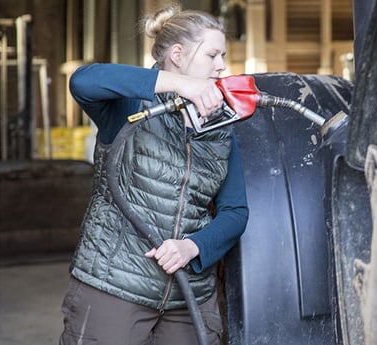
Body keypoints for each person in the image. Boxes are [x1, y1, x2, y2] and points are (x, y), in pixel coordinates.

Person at [59, 4, 248, 345]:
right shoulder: (130, 107)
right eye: (212, 55)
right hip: (115, 287)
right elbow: (83, 81)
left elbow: (236, 211)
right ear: (177, 55)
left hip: (188, 296)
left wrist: (193, 247)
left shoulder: (221, 126)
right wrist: (180, 86)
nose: (221, 65)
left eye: (223, 55)